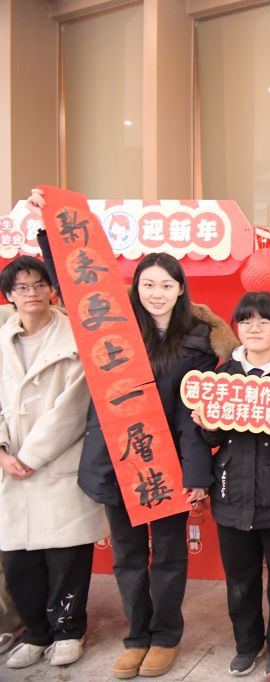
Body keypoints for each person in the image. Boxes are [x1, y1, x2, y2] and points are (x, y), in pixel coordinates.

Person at [73, 251, 235, 680]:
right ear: (136, 288)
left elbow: (190, 417)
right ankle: (136, 637)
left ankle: (165, 636)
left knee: (167, 555)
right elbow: (72, 286)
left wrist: (194, 474)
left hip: (166, 465)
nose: (156, 293)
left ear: (180, 289)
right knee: (127, 556)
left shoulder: (198, 340)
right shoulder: (114, 332)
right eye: (148, 284)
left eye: (166, 285)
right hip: (117, 460)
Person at [192, 292, 270, 677]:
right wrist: (206, 424)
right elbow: (213, 439)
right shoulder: (222, 376)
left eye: (264, 321)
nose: (254, 328)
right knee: (240, 581)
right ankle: (247, 644)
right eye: (245, 321)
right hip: (231, 493)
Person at [0, 256, 107, 669]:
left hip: (58, 461)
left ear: (52, 290)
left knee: (66, 557)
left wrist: (29, 456)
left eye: (39, 285)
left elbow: (73, 407)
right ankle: (35, 632)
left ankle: (68, 630)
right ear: (9, 295)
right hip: (10, 467)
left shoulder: (75, 338)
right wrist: (3, 452)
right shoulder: (3, 340)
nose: (32, 293)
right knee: (19, 559)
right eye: (22, 287)